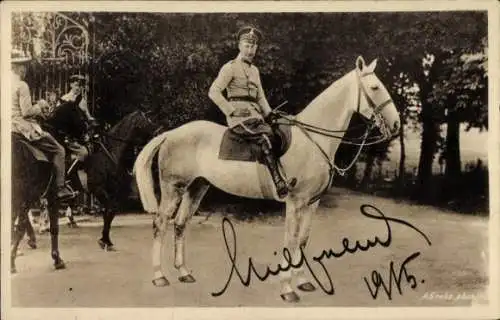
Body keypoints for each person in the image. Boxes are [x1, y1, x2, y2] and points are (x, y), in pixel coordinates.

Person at [208, 26, 295, 198]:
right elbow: (214, 91)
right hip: (239, 120)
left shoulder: (254, 71)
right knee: (265, 137)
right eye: (247, 45)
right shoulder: (230, 67)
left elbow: (260, 97)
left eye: (253, 46)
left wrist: (270, 114)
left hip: (256, 117)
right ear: (239, 46)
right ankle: (278, 182)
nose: (250, 50)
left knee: (278, 132)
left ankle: (281, 176)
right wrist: (231, 111)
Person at [11, 48, 75, 200]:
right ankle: (60, 188)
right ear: (18, 67)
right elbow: (26, 112)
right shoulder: (22, 85)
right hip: (21, 128)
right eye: (24, 65)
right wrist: (40, 105)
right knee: (59, 150)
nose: (25, 69)